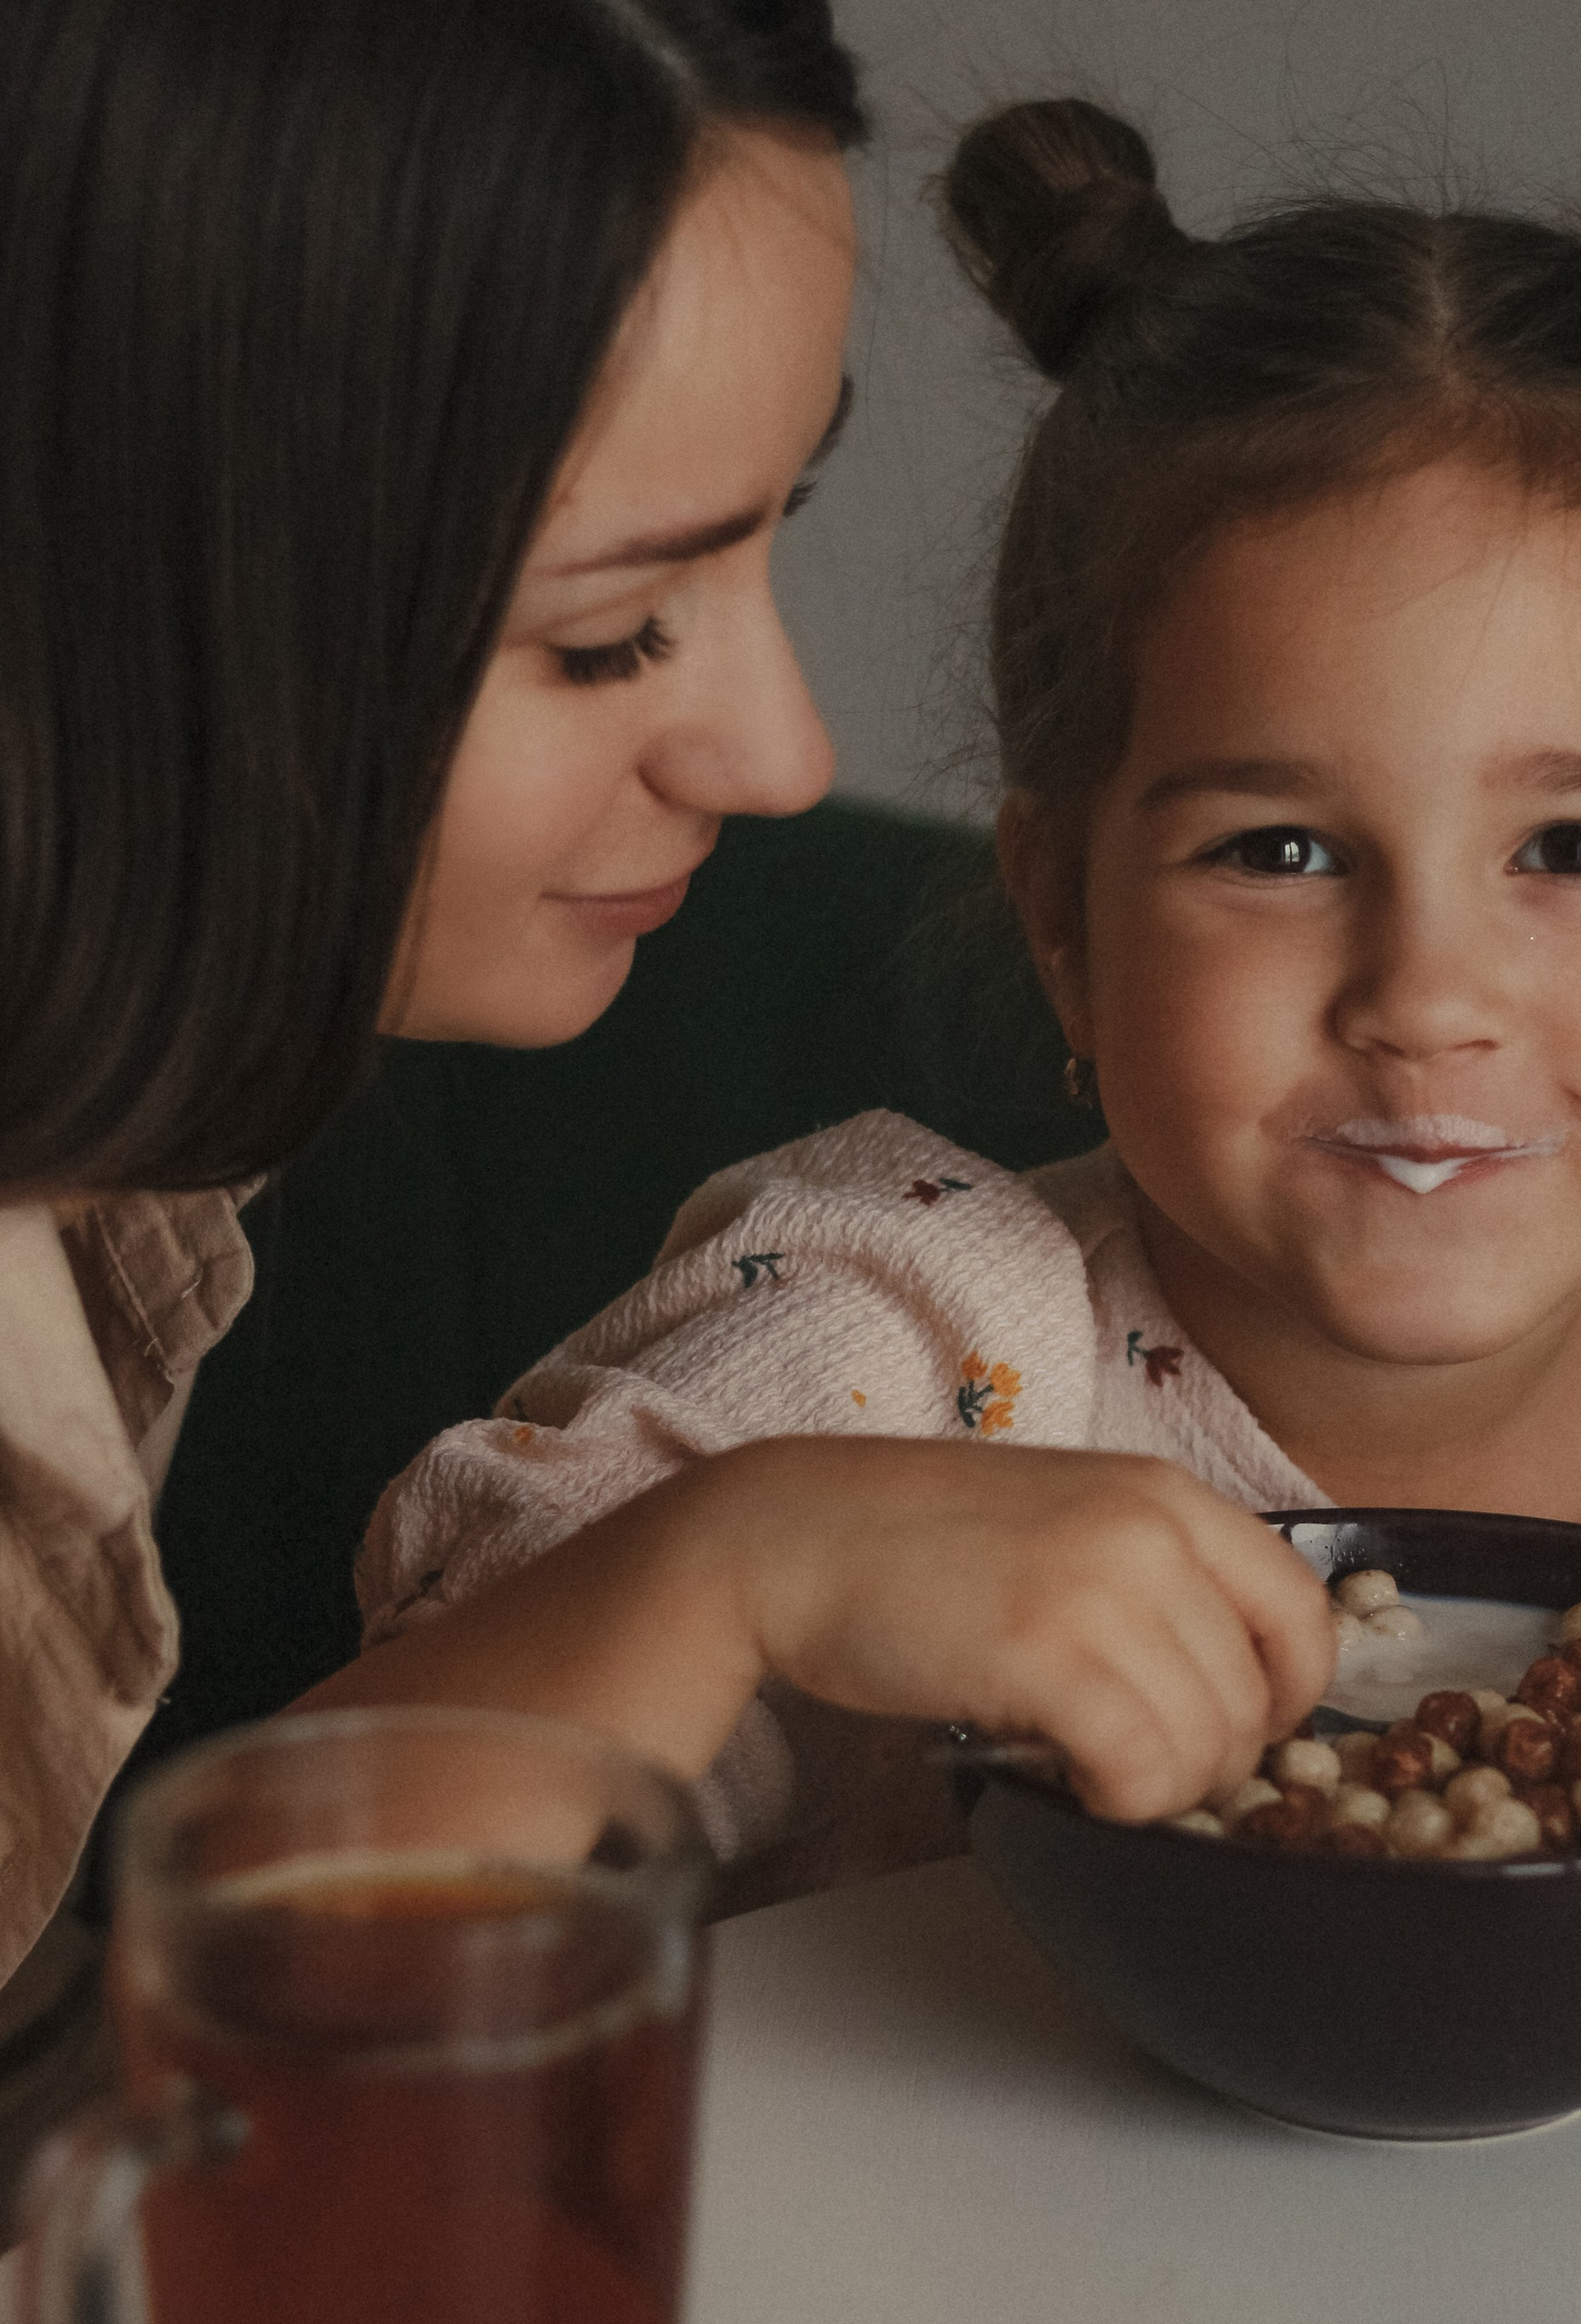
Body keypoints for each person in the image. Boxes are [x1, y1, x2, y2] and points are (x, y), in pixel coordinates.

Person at [357, 98, 1581, 1867]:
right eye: (1276, 850)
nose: (1426, 997)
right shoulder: (878, 1376)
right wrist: (730, 1564)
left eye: (1575, 848)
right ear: (1063, 917)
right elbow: (315, 1903)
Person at [0, 17, 1329, 2185]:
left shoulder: (108, 1187)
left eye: (769, 534)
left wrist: (735, 1552)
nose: (780, 747)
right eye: (613, 628)